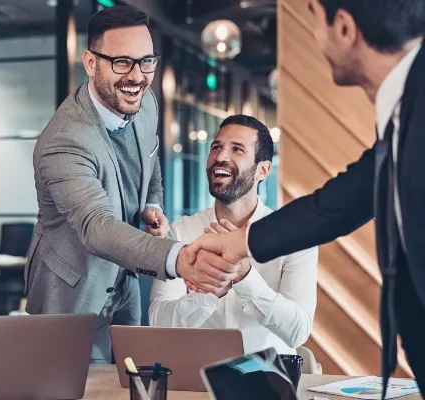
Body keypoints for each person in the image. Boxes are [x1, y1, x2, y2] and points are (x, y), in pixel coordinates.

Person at [185, 0, 425, 392]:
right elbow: (339, 204)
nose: (316, 38)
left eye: (317, 23)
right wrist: (243, 242)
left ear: (345, 29)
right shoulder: (407, 107)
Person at [24, 5, 238, 364]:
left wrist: (151, 203)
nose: (137, 77)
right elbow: (97, 227)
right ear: (90, 63)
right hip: (73, 293)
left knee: (127, 380)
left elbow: (150, 163)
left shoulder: (146, 105)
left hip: (125, 284)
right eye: (122, 62)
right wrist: (179, 258)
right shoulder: (64, 140)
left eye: (146, 61)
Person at [149, 115, 318, 355]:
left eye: (237, 149)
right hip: (197, 383)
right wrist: (210, 289)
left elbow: (298, 331)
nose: (220, 157)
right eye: (216, 147)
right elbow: (158, 325)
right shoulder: (181, 231)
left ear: (263, 170)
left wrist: (244, 276)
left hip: (269, 383)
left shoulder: (295, 237)